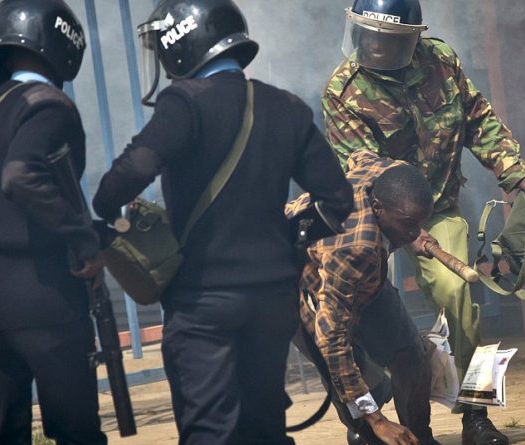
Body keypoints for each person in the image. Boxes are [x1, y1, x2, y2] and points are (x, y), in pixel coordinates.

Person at [91, 1, 353, 444]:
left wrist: (109, 207)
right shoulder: (285, 106)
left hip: (203, 300)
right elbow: (336, 200)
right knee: (265, 427)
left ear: (180, 44)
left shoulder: (183, 102)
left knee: (211, 431)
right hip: (272, 300)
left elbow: (128, 176)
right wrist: (286, 239)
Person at [321, 1, 525, 443]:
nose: (374, 44)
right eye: (366, 34)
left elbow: (478, 118)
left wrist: (513, 170)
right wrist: (406, 233)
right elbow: (365, 172)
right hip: (373, 218)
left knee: (460, 296)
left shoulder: (441, 61)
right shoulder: (342, 91)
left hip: (435, 205)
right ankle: (368, 418)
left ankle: (477, 414)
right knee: (350, 311)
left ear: (411, 38)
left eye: (386, 37)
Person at [0, 1, 106, 444]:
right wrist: (83, 239)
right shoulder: (49, 106)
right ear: (62, 45)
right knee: (76, 433)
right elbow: (20, 177)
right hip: (44, 300)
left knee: (2, 437)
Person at [288, 150, 443, 445]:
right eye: (407, 224)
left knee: (410, 354)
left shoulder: (393, 171)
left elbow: (359, 156)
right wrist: (377, 420)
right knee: (362, 402)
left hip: (366, 281)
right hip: (297, 285)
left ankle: (419, 437)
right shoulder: (355, 248)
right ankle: (368, 429)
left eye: (419, 223)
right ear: (377, 207)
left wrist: (413, 231)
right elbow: (332, 339)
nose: (413, 233)